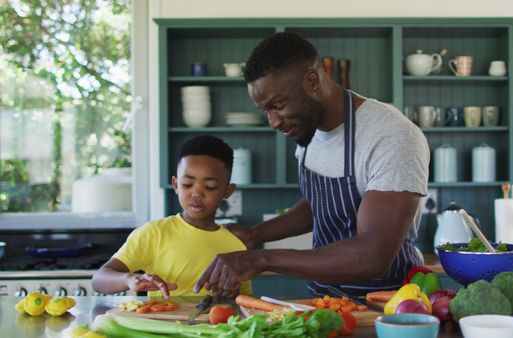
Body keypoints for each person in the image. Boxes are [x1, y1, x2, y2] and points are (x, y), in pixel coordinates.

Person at [194, 32, 429, 299]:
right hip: (325, 300)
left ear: (312, 81)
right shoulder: (308, 128)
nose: (273, 122)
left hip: (389, 308)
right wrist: (253, 234)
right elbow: (318, 205)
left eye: (278, 105)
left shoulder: (391, 136)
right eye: (266, 111)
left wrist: (261, 259)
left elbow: (372, 256)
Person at [92, 135, 252, 298]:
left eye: (210, 187)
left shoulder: (235, 245)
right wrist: (130, 279)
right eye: (187, 185)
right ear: (176, 185)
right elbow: (99, 280)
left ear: (227, 191)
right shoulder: (154, 233)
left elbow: (244, 300)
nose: (196, 194)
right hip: (161, 322)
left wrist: (232, 294)